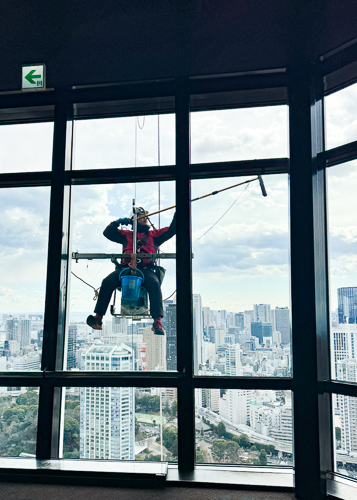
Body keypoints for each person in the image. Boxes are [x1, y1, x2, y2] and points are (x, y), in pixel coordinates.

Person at [86, 208, 176, 335]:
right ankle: (98, 317)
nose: (145, 218)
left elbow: (172, 230)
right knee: (107, 282)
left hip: (146, 270)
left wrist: (179, 213)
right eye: (141, 216)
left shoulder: (154, 235)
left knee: (154, 284)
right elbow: (108, 233)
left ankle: (157, 321)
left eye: (145, 216)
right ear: (134, 220)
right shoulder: (126, 235)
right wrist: (118, 222)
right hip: (126, 270)